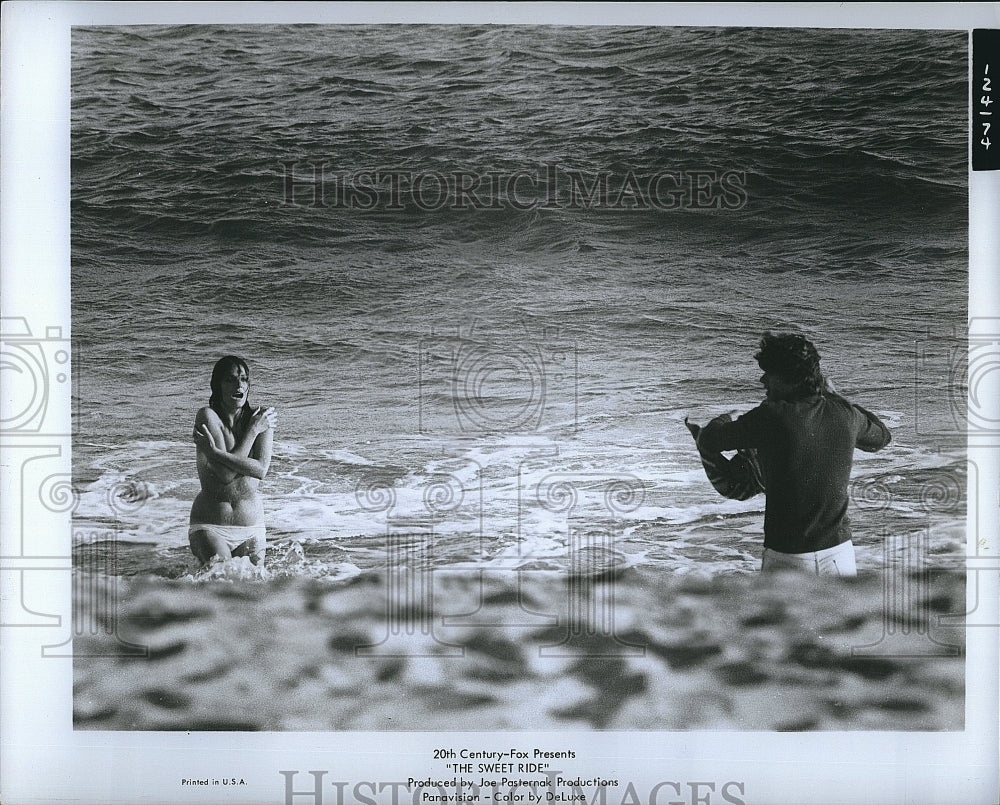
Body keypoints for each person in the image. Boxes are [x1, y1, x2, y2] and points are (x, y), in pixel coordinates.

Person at [691, 332, 891, 576]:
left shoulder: (771, 416)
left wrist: (724, 418)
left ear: (790, 378)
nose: (763, 379)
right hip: (839, 555)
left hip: (787, 558)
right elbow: (882, 437)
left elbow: (710, 439)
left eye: (770, 372)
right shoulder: (845, 414)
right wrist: (834, 395)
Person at [188, 356, 276, 566]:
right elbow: (225, 475)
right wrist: (252, 432)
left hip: (252, 527)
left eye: (244, 379)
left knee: (253, 584)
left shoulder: (261, 419)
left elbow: (260, 470)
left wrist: (214, 453)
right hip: (210, 526)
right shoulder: (207, 416)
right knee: (221, 576)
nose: (239, 385)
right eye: (230, 379)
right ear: (217, 385)